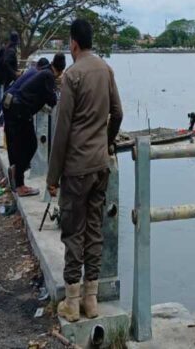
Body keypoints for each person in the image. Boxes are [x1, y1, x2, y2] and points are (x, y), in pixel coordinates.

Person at [47, 19, 123, 323]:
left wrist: (52, 178)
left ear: (73, 44)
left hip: (76, 167)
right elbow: (117, 113)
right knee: (94, 230)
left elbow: (62, 129)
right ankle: (92, 301)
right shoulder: (106, 69)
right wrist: (106, 142)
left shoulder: (72, 76)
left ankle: (73, 301)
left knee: (73, 230)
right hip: (100, 164)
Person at [5, 55, 65, 196]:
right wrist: (59, 86)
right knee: (31, 145)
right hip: (20, 111)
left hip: (14, 108)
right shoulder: (49, 76)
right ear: (61, 71)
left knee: (22, 146)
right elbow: (52, 100)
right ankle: (18, 176)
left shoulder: (41, 71)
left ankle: (18, 178)